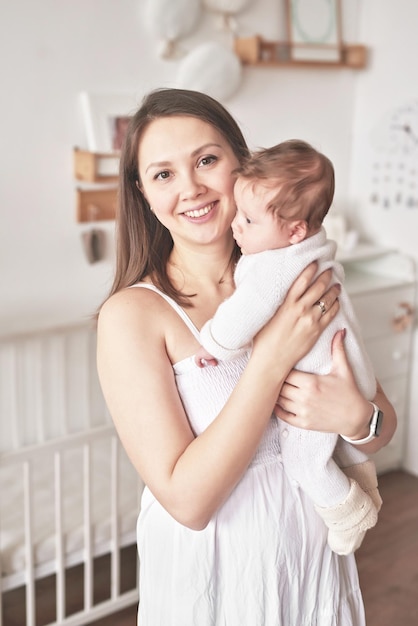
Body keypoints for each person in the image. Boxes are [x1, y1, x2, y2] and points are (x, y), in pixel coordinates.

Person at [96, 88, 397, 625]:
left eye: (207, 160)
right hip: (219, 578)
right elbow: (188, 503)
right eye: (163, 174)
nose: (191, 188)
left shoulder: (296, 275)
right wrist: (272, 356)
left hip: (312, 564)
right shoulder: (133, 317)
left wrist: (356, 418)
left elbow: (379, 422)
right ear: (142, 192)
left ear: (242, 164)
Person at [194, 139, 382, 556]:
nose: (236, 226)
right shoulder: (315, 249)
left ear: (295, 229)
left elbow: (239, 318)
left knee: (305, 461)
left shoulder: (272, 266)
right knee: (342, 448)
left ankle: (348, 511)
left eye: (248, 219)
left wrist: (212, 343)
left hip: (321, 379)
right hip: (350, 368)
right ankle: (364, 484)